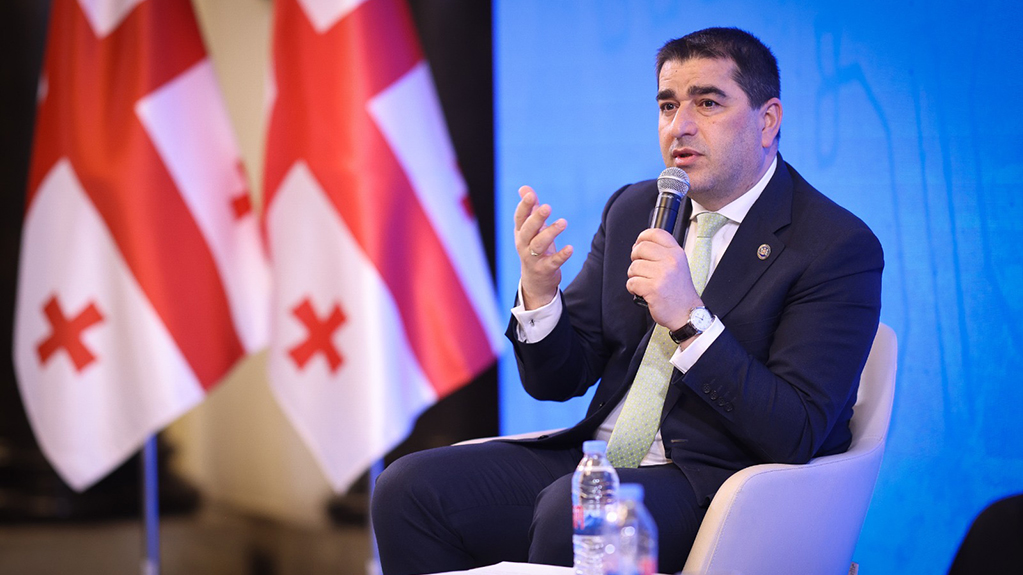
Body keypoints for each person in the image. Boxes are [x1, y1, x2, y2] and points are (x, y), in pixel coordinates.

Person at [372, 27, 883, 575]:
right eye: (668, 105)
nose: (680, 126)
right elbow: (557, 380)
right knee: (408, 489)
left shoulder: (833, 245)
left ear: (768, 120)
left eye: (708, 103)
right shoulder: (637, 208)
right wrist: (541, 296)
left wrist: (689, 319)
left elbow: (796, 431)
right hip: (597, 461)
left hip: (719, 483)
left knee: (578, 511)